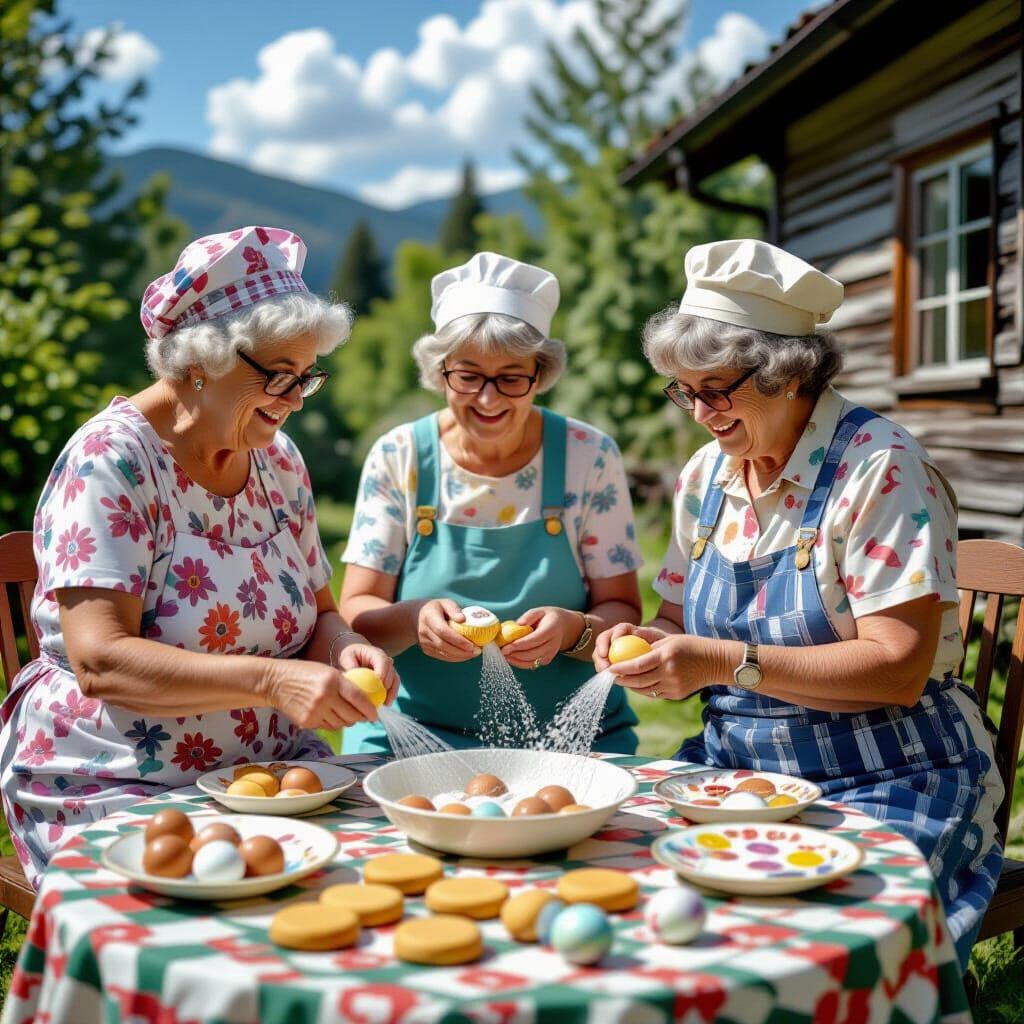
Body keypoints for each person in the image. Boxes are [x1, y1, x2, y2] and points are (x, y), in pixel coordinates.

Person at [594, 238, 1003, 969]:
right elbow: (673, 623)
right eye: (684, 390)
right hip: (739, 769)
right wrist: (623, 640)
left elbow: (896, 668)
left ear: (787, 373)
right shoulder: (707, 477)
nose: (699, 413)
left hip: (889, 771)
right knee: (641, 902)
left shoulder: (879, 468)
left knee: (798, 936)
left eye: (716, 388)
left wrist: (725, 662)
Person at [0, 226, 397, 886]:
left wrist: (344, 648)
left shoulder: (278, 459)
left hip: (267, 768)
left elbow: (322, 614)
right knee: (222, 897)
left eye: (307, 377)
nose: (296, 399)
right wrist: (272, 681)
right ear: (195, 362)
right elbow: (100, 660)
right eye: (277, 375)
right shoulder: (112, 461)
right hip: (116, 770)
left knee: (376, 874)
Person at [339, 252, 642, 752]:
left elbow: (622, 605)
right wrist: (413, 620)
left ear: (539, 375)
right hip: (409, 735)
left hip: (570, 737)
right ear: (441, 373)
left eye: (510, 377)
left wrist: (573, 631)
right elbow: (356, 613)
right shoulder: (400, 456)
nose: (487, 398)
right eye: (468, 375)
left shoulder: (588, 456)